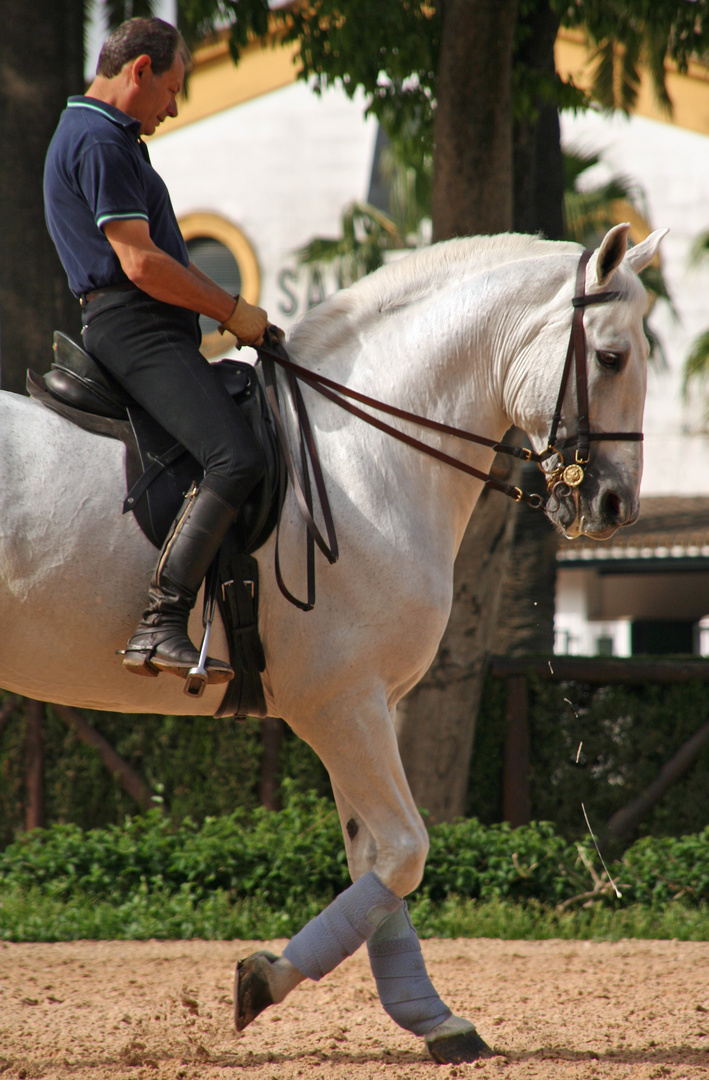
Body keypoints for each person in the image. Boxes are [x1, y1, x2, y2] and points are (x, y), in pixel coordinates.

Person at [44, 16, 270, 686]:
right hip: (132, 324)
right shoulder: (98, 141)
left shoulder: (108, 136)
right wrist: (234, 311)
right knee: (235, 457)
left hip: (140, 325)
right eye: (171, 89)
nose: (173, 106)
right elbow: (140, 264)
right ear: (138, 71)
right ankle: (162, 619)